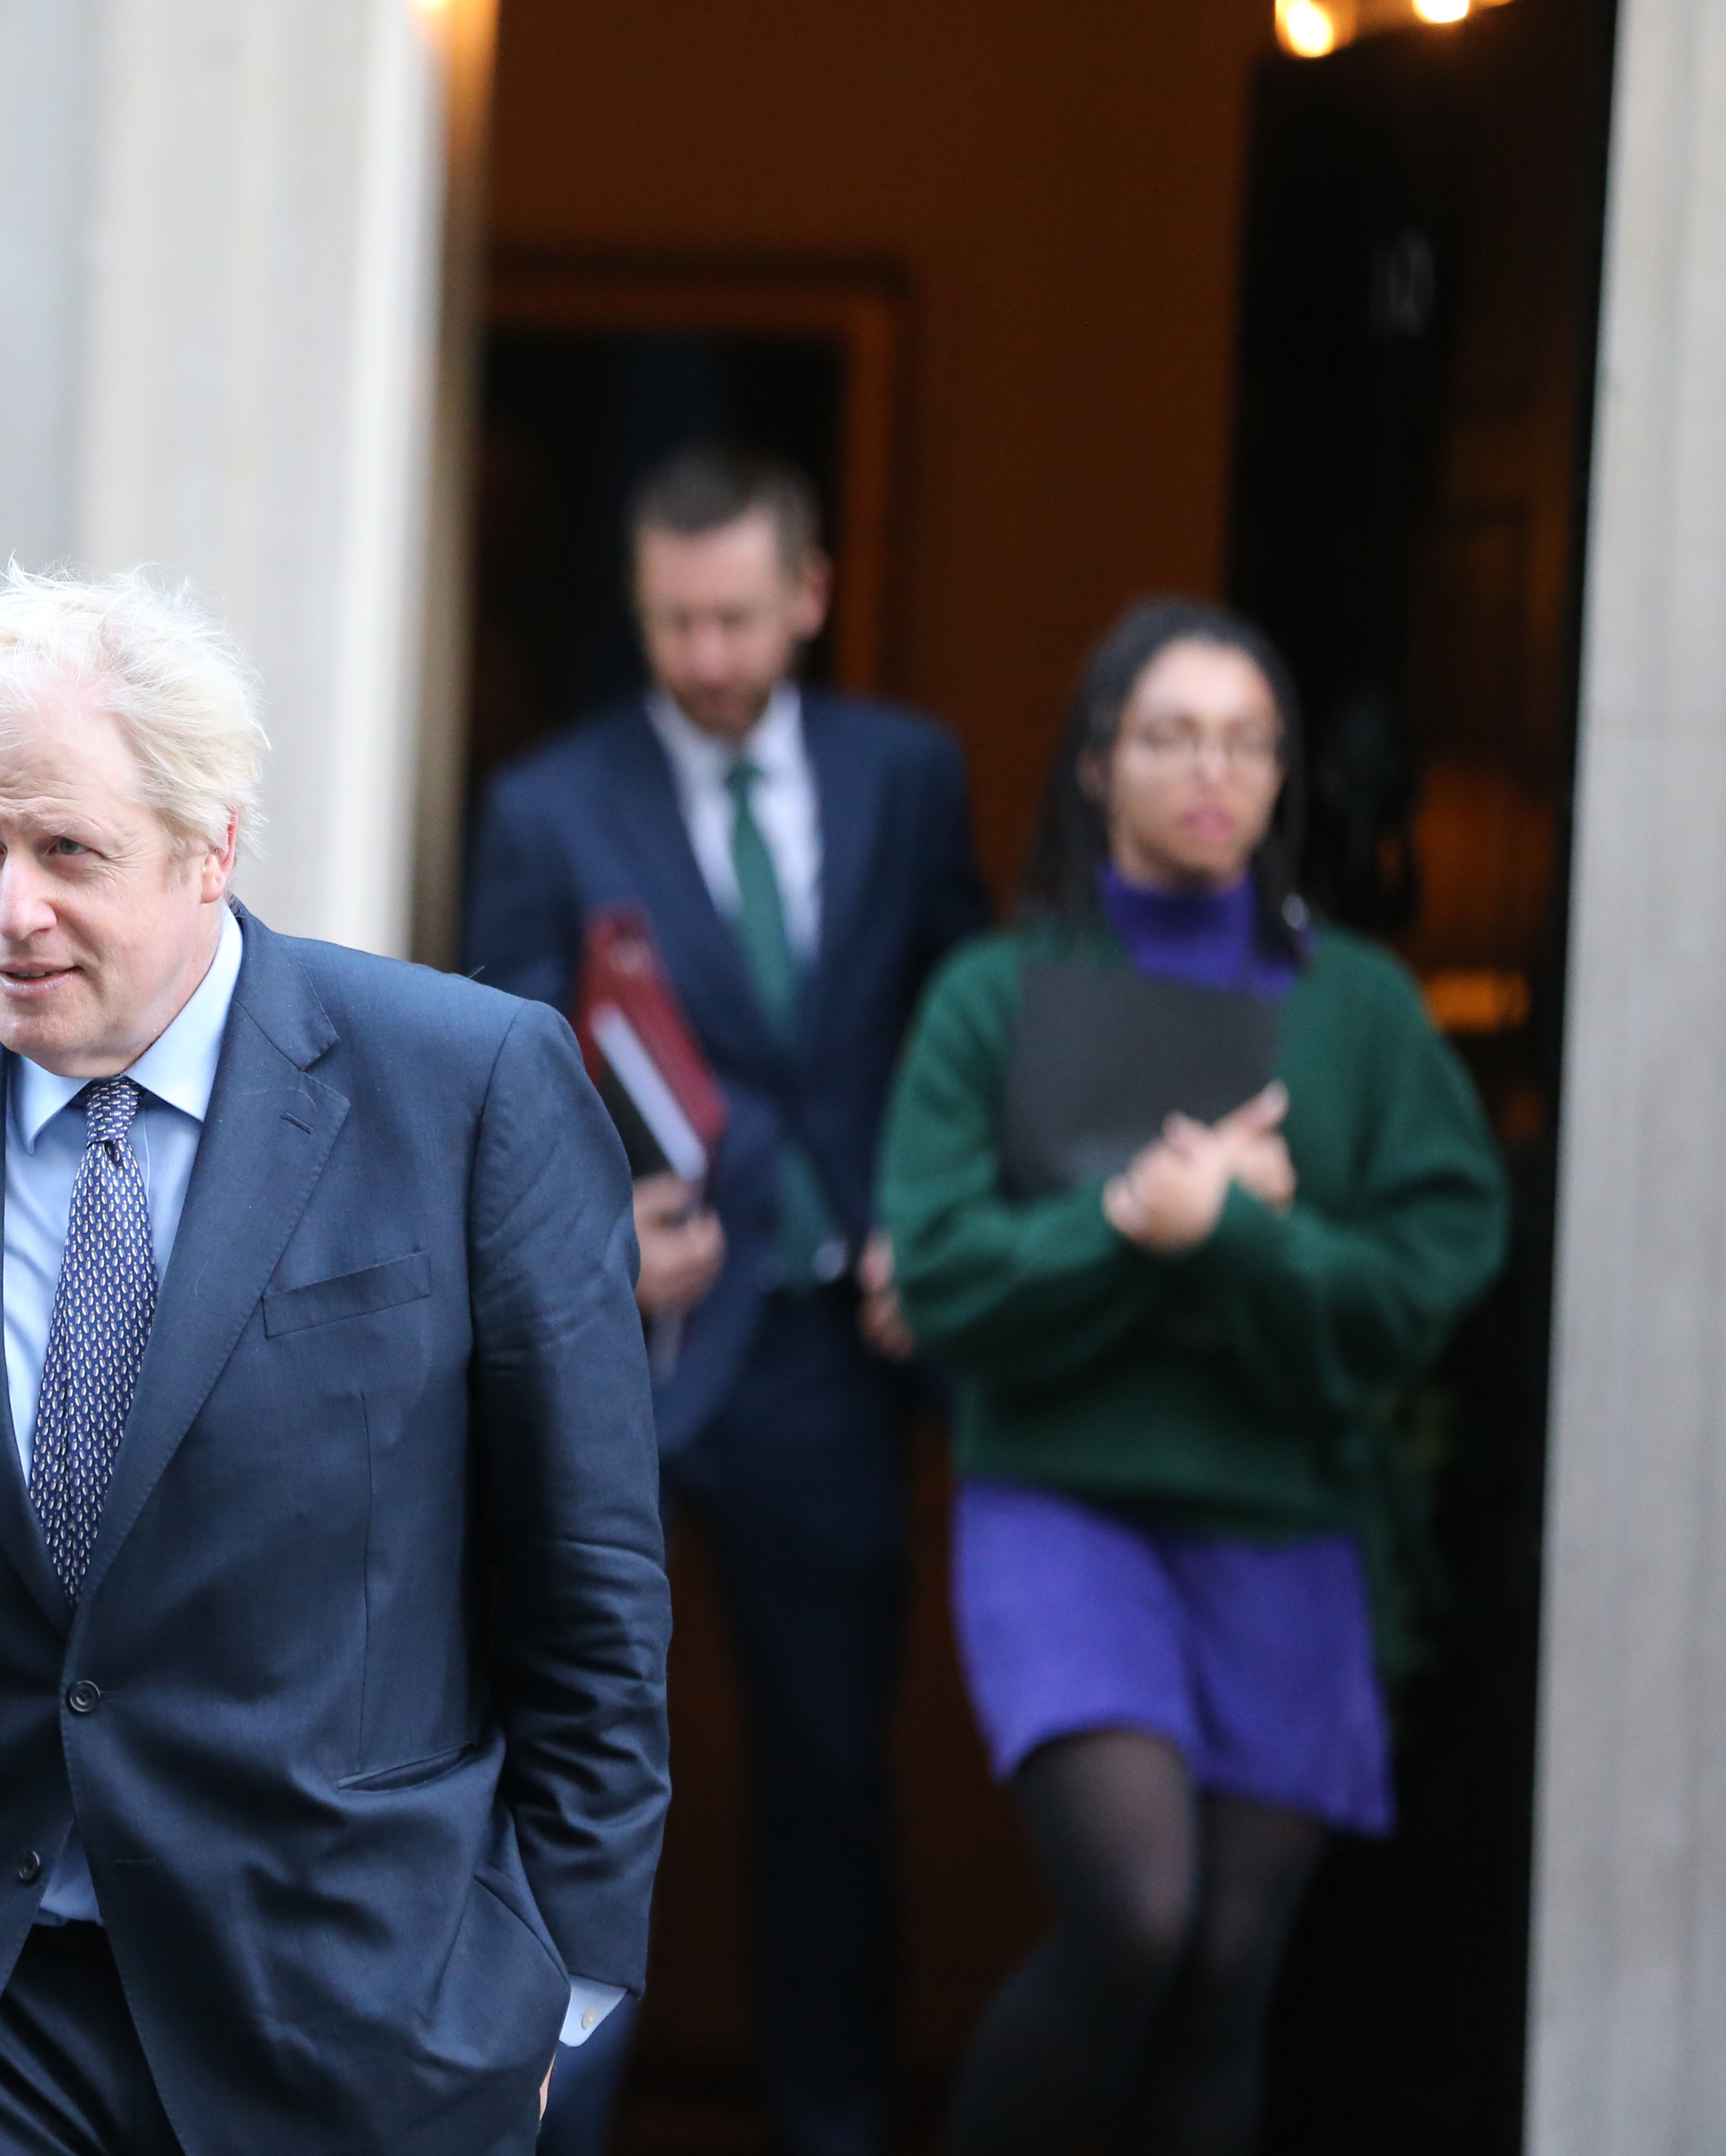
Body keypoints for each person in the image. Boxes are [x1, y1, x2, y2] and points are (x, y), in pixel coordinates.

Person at [0, 570, 674, 2156]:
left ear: (211, 848)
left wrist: (552, 1994)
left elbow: (586, 1578)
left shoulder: (466, 1091)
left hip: (350, 2026)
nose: (11, 909)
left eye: (67, 852)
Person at [877, 598, 1508, 2155]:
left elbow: (1436, 1271)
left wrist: (1240, 1241)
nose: (1210, 771)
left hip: (1285, 1523)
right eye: (1170, 736)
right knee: (1139, 1913)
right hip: (1064, 1513)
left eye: (1246, 741)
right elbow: (941, 1270)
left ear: (1283, 772)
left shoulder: (1359, 1010)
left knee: (1230, 1970)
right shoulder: (992, 996)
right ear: (1098, 765)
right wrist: (1125, 1224)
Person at [462, 445, 985, 2156]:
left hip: (826, 1356)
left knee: (832, 1777)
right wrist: (591, 1236)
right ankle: (553, 2124)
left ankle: (830, 2125)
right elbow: (503, 1074)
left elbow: (950, 1025)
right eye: (674, 620)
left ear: (809, 599)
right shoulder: (548, 804)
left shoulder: (909, 776)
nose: (702, 652)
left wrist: (929, 1216)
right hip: (617, 1349)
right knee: (574, 1763)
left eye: (737, 618)